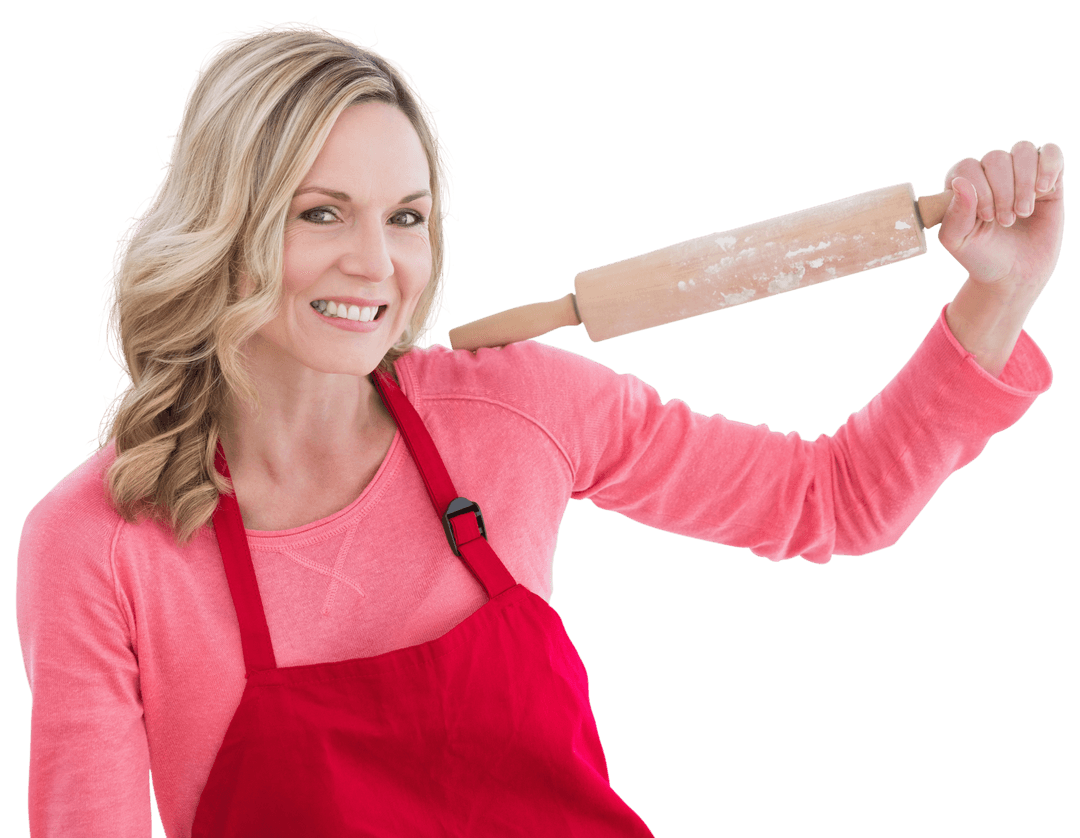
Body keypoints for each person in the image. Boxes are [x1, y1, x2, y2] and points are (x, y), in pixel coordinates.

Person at [15, 19, 1060, 838]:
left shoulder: (511, 409)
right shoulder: (102, 543)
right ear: (225, 224)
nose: (377, 265)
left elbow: (830, 499)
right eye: (319, 212)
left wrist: (998, 297)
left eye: (407, 217)